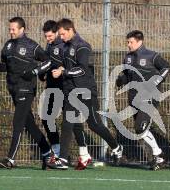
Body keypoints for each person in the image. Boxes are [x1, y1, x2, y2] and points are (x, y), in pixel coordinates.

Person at [52, 18, 123, 170]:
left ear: (71, 30)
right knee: (67, 123)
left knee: (94, 124)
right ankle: (63, 159)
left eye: (63, 34)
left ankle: (116, 147)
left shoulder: (83, 47)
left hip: (85, 91)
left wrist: (64, 72)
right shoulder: (64, 47)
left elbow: (82, 69)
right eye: (60, 35)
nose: (61, 37)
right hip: (71, 91)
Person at [0, 17, 64, 169]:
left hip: (26, 89)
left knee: (18, 123)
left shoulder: (31, 45)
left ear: (22, 29)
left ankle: (10, 160)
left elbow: (48, 62)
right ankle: (48, 154)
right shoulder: (7, 45)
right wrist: (2, 66)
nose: (11, 31)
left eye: (13, 29)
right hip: (13, 89)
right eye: (10, 29)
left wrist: (34, 71)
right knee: (29, 125)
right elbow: (4, 61)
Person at [115, 30, 170, 171]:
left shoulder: (152, 55)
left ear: (140, 41)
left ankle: (159, 155)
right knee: (140, 130)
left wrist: (158, 79)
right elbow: (127, 75)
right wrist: (121, 80)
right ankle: (159, 156)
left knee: (140, 127)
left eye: (131, 42)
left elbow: (166, 67)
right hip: (134, 97)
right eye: (127, 42)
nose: (128, 45)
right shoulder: (127, 58)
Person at [40, 20, 87, 169]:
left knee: (70, 121)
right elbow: (49, 62)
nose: (47, 39)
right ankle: (57, 151)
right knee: (47, 118)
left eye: (50, 36)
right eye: (46, 37)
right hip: (52, 87)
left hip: (64, 87)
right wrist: (43, 73)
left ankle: (83, 152)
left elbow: (67, 66)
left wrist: (59, 71)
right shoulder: (50, 45)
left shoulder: (64, 46)